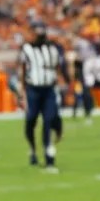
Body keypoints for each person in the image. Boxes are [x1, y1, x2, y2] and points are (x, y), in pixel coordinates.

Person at [20, 19, 70, 171]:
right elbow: (23, 71)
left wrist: (66, 84)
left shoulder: (53, 49)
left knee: (49, 120)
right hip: (33, 89)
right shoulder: (26, 49)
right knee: (31, 120)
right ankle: (33, 150)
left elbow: (60, 68)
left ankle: (49, 154)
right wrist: (22, 93)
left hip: (49, 88)